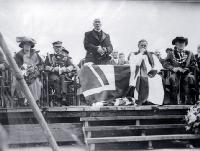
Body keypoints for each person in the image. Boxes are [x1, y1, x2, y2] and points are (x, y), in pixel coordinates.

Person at [127, 39, 164, 105]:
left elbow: (158, 65)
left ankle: (152, 101)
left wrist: (153, 71)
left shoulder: (152, 55)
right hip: (137, 73)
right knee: (138, 80)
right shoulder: (134, 54)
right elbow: (133, 63)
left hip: (150, 73)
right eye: (142, 45)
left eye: (145, 45)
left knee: (157, 79)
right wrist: (141, 54)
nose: (143, 47)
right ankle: (141, 100)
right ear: (138, 46)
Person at [163, 37, 196, 105]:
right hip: (175, 73)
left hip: (186, 73)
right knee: (172, 79)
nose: (181, 45)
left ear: (185, 44)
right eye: (179, 43)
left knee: (190, 79)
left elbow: (193, 64)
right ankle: (174, 102)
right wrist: (173, 68)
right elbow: (165, 63)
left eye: (183, 43)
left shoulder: (190, 53)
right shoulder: (171, 54)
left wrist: (187, 69)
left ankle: (189, 102)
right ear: (176, 44)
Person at [13, 37, 43, 106]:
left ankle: (35, 101)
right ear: (23, 46)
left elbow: (41, 65)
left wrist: (36, 69)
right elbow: (14, 66)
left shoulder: (35, 54)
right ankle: (23, 100)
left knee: (37, 83)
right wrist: (21, 69)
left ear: (31, 46)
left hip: (34, 74)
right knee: (19, 82)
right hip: (22, 75)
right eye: (25, 45)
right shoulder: (18, 55)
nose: (27, 46)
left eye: (28, 45)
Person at [45, 41, 76, 106]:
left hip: (63, 74)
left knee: (62, 78)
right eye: (56, 47)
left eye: (59, 47)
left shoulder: (65, 56)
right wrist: (53, 69)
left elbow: (71, 66)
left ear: (61, 47)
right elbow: (45, 66)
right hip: (53, 75)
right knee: (57, 79)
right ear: (53, 47)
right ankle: (59, 98)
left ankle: (63, 98)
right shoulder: (49, 56)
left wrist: (66, 69)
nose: (58, 49)